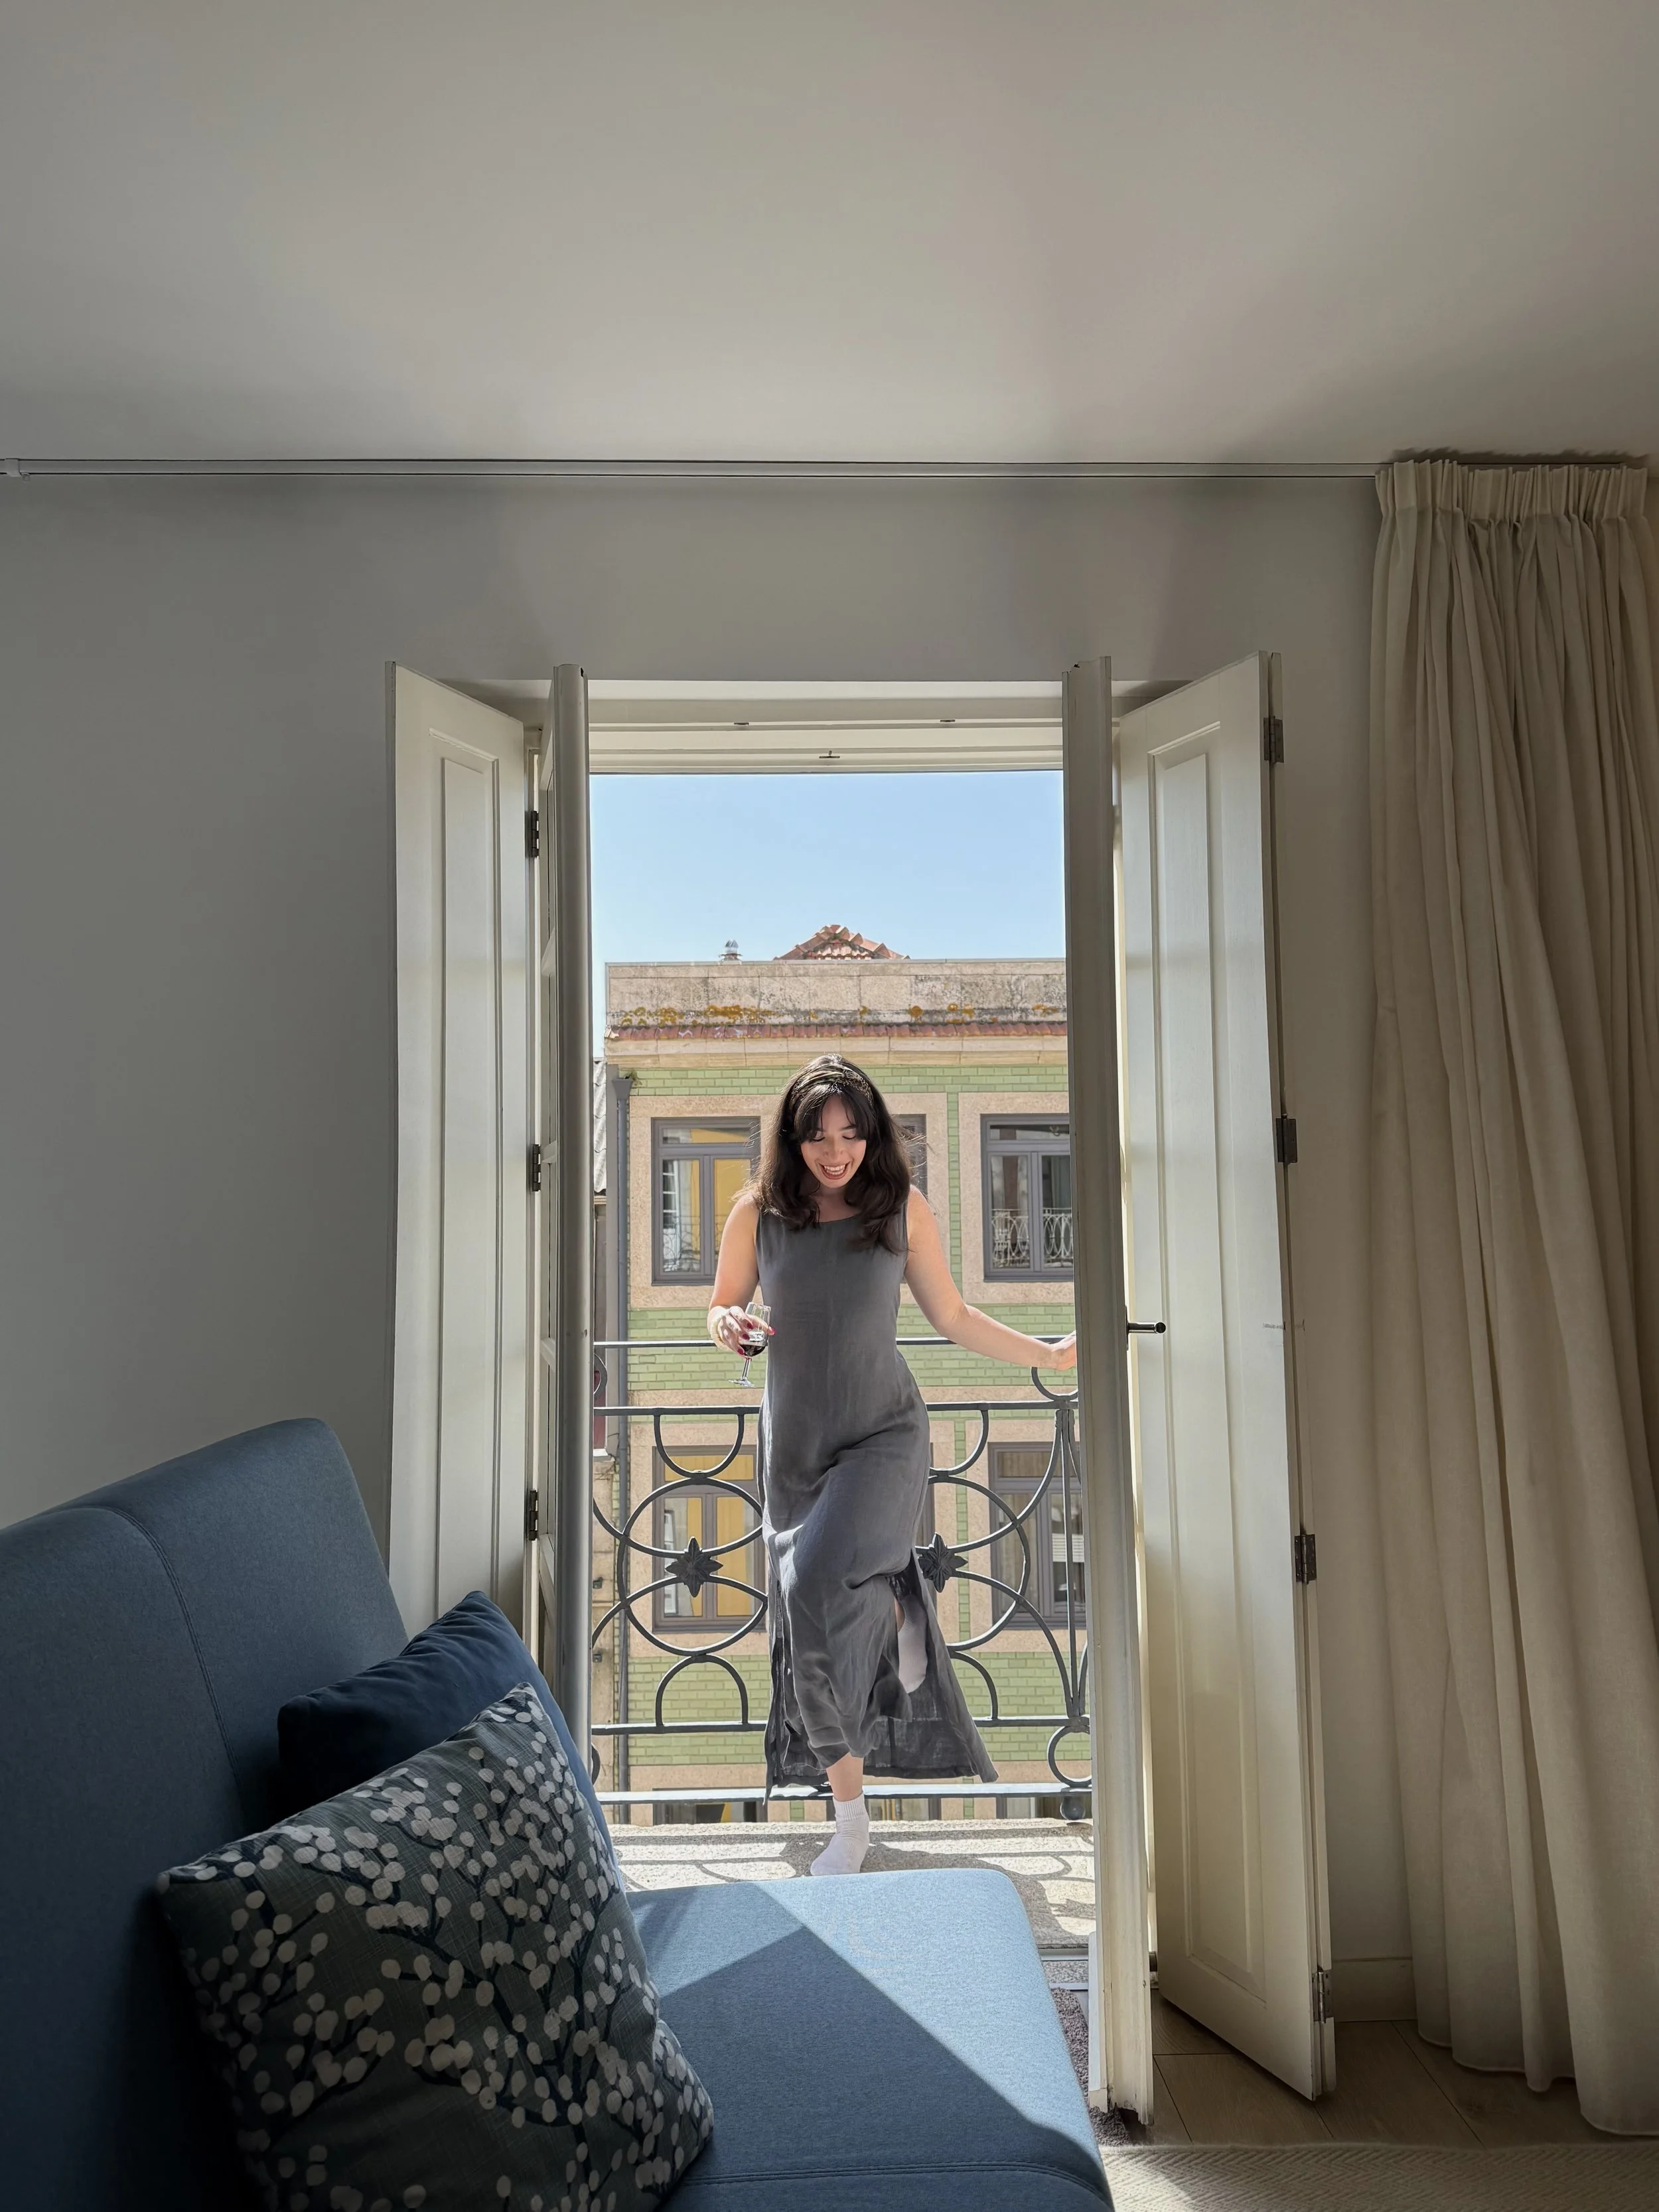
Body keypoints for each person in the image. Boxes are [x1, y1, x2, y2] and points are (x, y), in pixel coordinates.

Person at [707, 1054, 1077, 1876]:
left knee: (811, 1584)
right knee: (803, 1617)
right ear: (793, 1140)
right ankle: (851, 1813)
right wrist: (727, 1323)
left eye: (850, 1133)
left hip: (884, 1433)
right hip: (797, 1447)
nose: (834, 1152)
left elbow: (951, 1314)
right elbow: (722, 1303)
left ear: (871, 1134)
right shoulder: (757, 1213)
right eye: (817, 1136)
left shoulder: (899, 1209)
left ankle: (900, 1603)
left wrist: (1045, 1355)